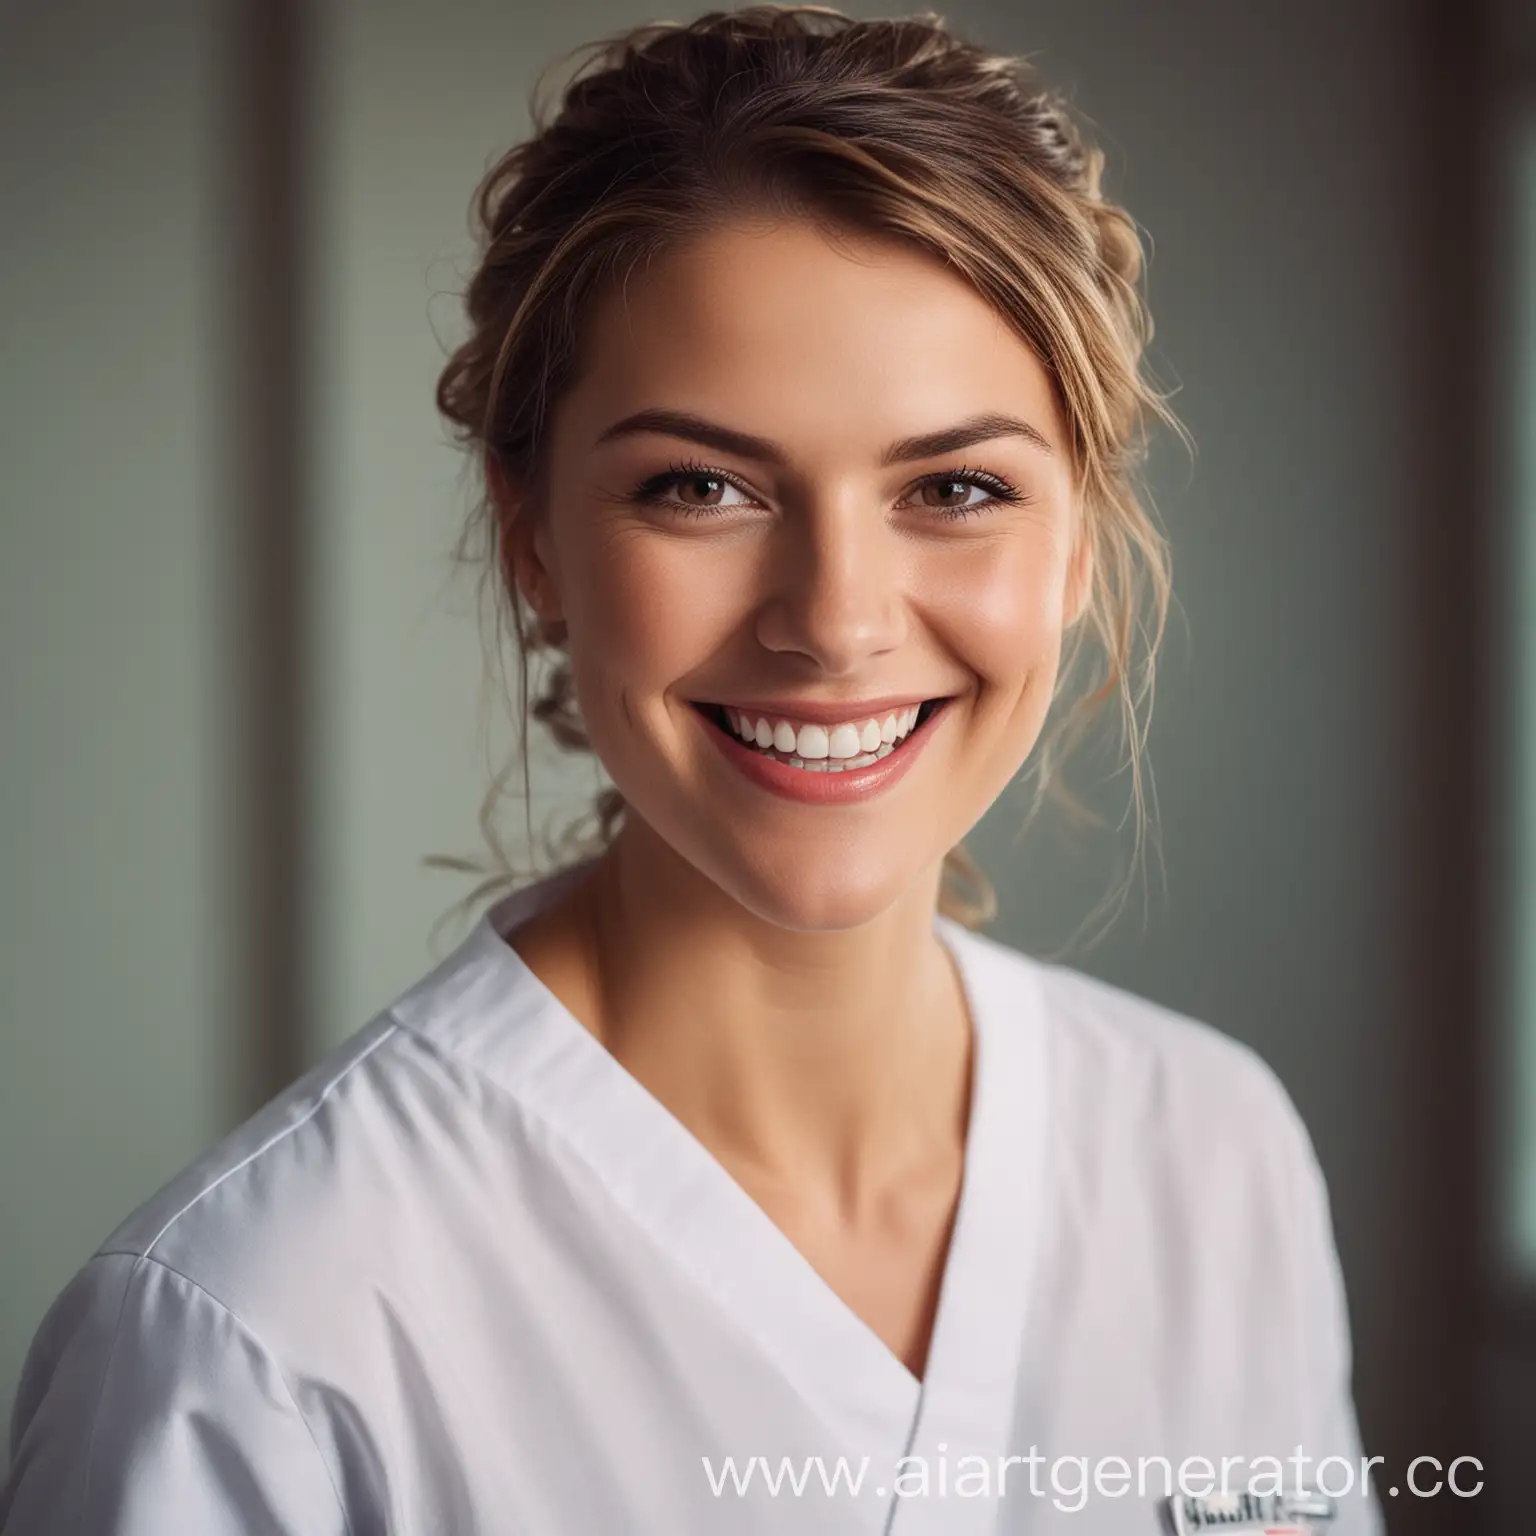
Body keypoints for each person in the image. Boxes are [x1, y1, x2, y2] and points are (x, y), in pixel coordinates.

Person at [1, 6, 1384, 1532]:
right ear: (534, 537)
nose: (836, 622)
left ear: (1077, 540)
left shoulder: (1213, 1152)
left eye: (958, 485)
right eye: (703, 486)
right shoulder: (256, 1337)